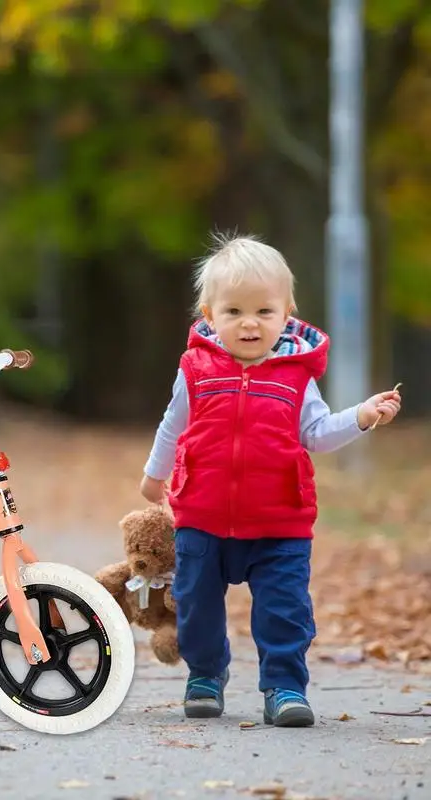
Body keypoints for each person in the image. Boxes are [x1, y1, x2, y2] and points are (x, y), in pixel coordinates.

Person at [140, 233, 401, 728]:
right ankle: (205, 674)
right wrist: (156, 477)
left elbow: (318, 434)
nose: (249, 323)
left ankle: (284, 684)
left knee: (284, 610)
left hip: (280, 520)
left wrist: (362, 416)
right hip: (203, 515)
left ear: (287, 313)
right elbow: (173, 425)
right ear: (209, 314)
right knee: (196, 603)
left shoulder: (296, 377)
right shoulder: (195, 371)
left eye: (264, 311)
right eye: (234, 310)